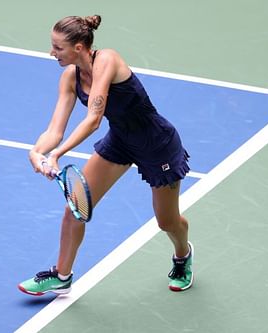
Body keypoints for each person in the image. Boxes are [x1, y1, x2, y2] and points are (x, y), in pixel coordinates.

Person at [18, 15, 193, 296]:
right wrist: (38, 151)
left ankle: (182, 255)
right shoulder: (69, 78)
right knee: (75, 209)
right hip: (121, 140)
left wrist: (57, 155)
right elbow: (54, 129)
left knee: (167, 221)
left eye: (57, 47)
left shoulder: (108, 60)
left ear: (78, 47)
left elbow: (93, 119)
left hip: (157, 143)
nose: (52, 52)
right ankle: (62, 275)